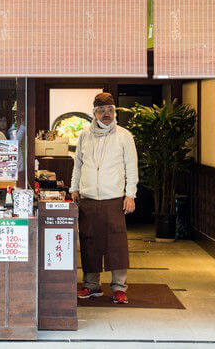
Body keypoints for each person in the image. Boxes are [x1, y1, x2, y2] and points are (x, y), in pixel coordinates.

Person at [70, 92, 138, 305]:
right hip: (88, 197)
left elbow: (131, 167)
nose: (107, 114)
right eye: (102, 110)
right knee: (89, 242)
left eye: (110, 110)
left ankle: (119, 287)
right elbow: (78, 164)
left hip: (114, 198)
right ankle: (91, 286)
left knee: (116, 243)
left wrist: (131, 194)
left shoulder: (123, 135)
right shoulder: (84, 135)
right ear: (95, 113)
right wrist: (74, 188)